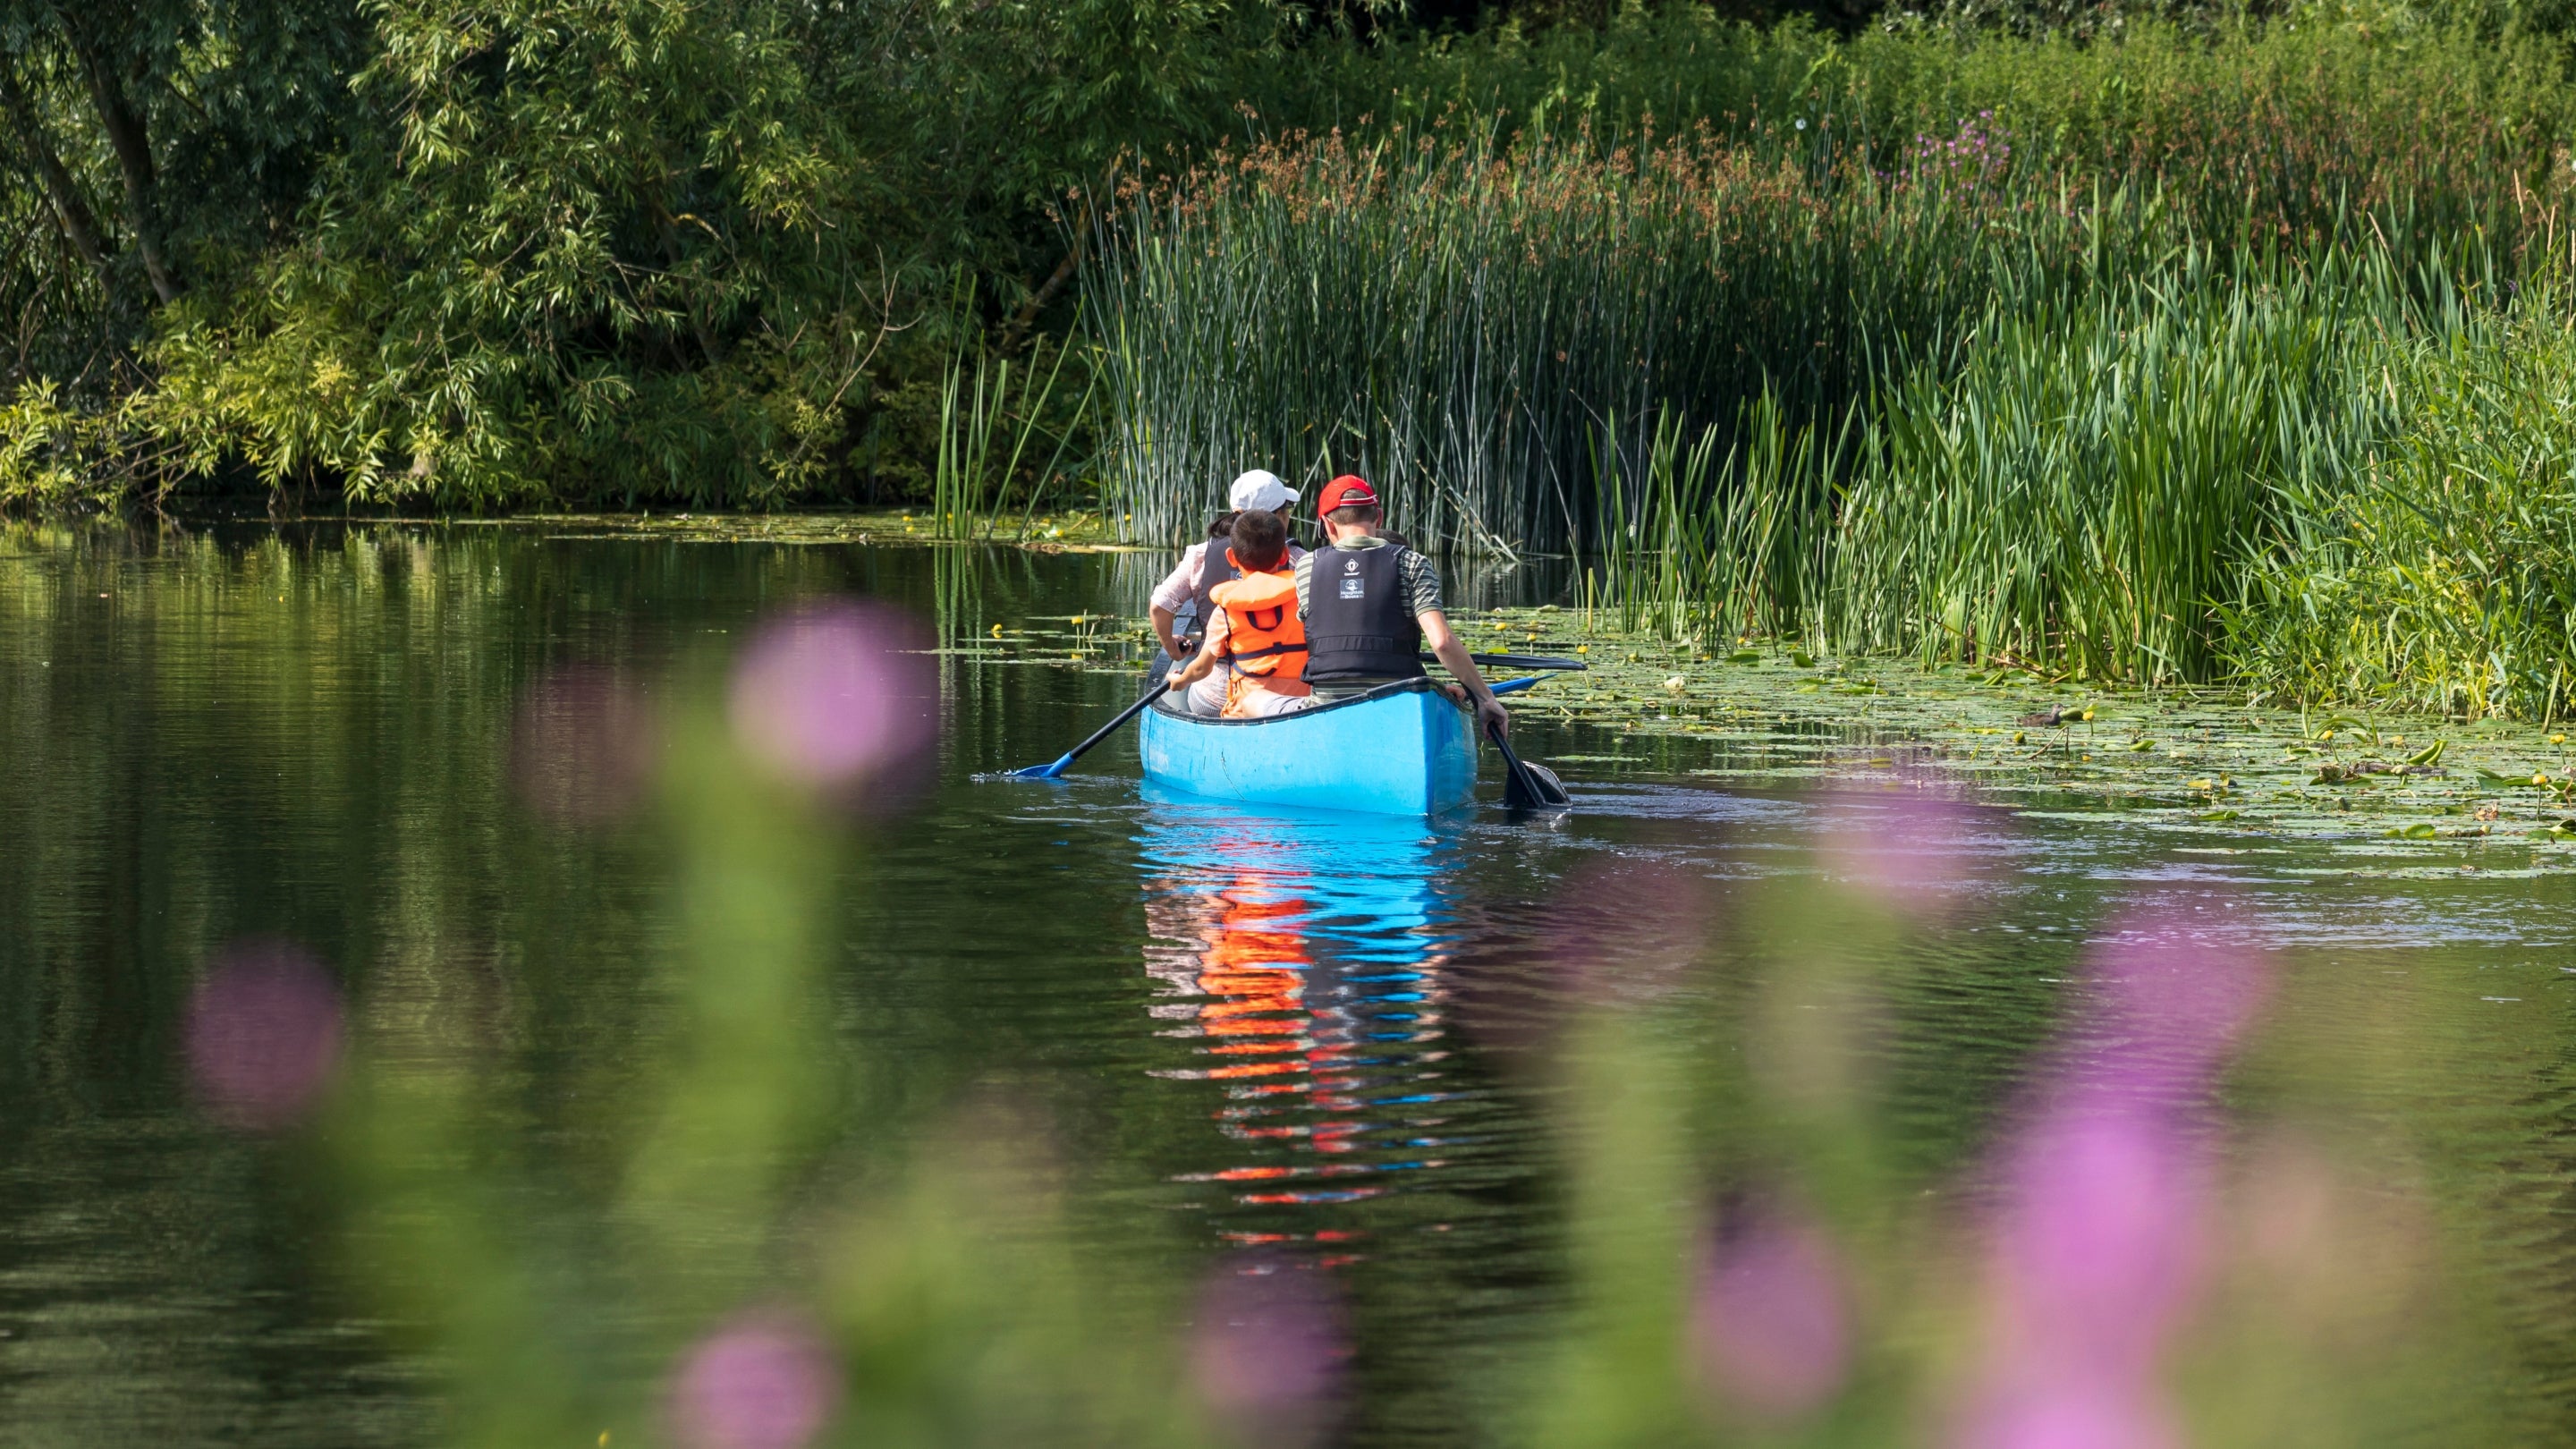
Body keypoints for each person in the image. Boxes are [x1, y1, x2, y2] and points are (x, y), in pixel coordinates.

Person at [1294, 474, 1508, 739]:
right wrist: (1485, 698)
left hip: (1328, 707)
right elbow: (1441, 642)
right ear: (1379, 518)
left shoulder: (1306, 567)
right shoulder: (1412, 563)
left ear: (1327, 524)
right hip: (1400, 705)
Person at [1148, 470, 1306, 706]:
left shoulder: (1200, 555)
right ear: (1279, 517)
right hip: (1286, 697)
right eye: (1287, 510)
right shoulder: (1299, 561)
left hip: (1213, 696)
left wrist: (1173, 650)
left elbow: (1160, 606)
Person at [1165, 510, 1315, 718]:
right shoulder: (1305, 599)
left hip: (1245, 713)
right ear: (1284, 555)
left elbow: (1201, 669)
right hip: (1298, 708)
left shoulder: (1226, 611)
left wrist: (1180, 681)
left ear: (1232, 558)